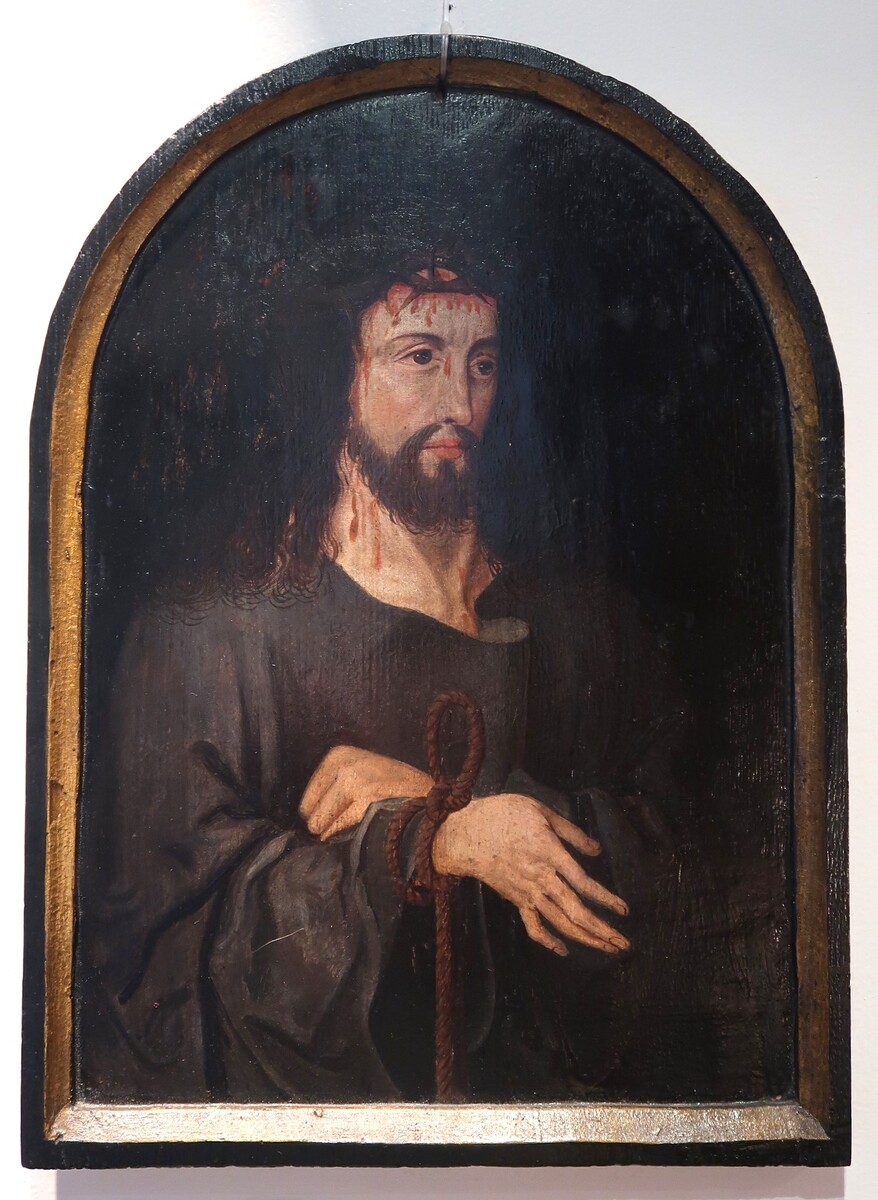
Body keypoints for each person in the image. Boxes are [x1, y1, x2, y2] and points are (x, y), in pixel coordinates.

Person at [77, 255, 683, 1103]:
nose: (458, 404)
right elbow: (166, 952)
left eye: (482, 364)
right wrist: (423, 841)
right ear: (343, 377)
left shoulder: (591, 627)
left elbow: (688, 874)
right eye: (420, 356)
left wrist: (435, 806)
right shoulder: (211, 634)